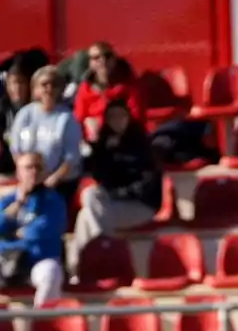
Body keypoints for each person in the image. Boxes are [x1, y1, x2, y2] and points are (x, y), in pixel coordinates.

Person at [70, 100, 162, 269]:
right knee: (87, 205)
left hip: (141, 205)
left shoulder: (143, 144)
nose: (117, 120)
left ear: (129, 118)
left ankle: (103, 256)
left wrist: (116, 194)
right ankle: (79, 266)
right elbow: (95, 174)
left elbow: (146, 184)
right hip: (113, 202)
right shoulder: (105, 144)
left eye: (121, 116)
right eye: (112, 117)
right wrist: (98, 147)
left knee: (89, 213)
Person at [8, 66, 84, 203]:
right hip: (28, 178)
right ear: (35, 88)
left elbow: (71, 158)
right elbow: (15, 148)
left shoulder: (67, 118)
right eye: (44, 84)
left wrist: (53, 178)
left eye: (54, 84)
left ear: (60, 89)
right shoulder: (25, 114)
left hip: (58, 182)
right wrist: (26, 174)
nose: (49, 88)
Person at [0, 152, 66, 306]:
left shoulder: (53, 200)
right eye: (28, 167)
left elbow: (44, 230)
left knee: (52, 272)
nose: (33, 172)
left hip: (39, 260)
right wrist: (17, 205)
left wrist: (14, 234)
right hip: (8, 260)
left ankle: (43, 323)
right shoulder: (8, 200)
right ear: (18, 171)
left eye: (38, 167)